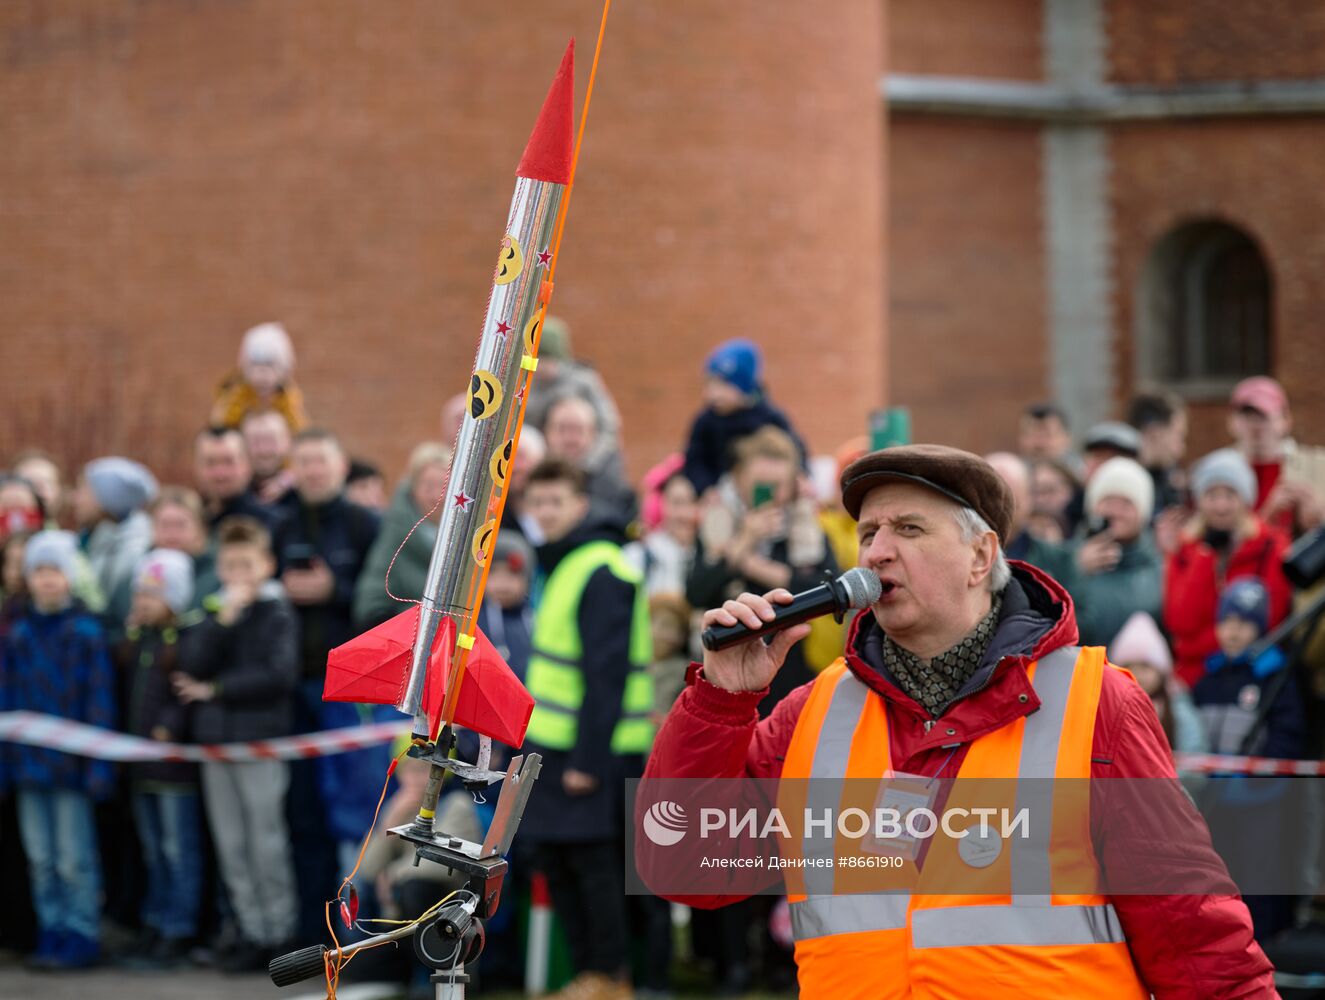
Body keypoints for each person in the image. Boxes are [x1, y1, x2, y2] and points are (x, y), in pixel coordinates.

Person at [640, 444, 1275, 997]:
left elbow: (1194, 939)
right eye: (868, 534)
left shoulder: (1096, 703)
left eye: (909, 530)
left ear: (981, 556)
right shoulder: (816, 711)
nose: (878, 553)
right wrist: (721, 701)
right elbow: (685, 866)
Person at [520, 459, 654, 1000]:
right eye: (539, 502)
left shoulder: (599, 566)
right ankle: (591, 976)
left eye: (557, 502)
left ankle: (610, 976)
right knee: (561, 862)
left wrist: (586, 762)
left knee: (595, 869)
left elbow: (607, 676)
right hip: (557, 745)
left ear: (581, 505)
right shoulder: (567, 562)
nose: (546, 513)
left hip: (593, 751)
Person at [174, 516, 299, 970]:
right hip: (215, 744)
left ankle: (278, 931)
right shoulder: (215, 611)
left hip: (259, 742)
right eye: (230, 566)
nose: (238, 576)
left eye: (247, 565)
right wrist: (222, 622)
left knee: (265, 842)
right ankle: (249, 929)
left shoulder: (277, 612)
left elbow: (278, 675)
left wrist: (217, 690)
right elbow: (190, 662)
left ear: (266, 565)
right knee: (231, 845)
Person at [271, 428, 381, 934]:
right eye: (305, 461)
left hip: (349, 692)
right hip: (292, 689)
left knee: (354, 812)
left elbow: (380, 596)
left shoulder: (366, 525)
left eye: (322, 460)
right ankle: (306, 926)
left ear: (341, 467)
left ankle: (353, 931)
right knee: (300, 812)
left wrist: (332, 590)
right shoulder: (280, 524)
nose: (314, 471)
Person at [1, 530, 116, 969]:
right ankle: (52, 929)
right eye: (39, 571)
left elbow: (99, 703)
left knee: (73, 858)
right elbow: (8, 701)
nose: (47, 580)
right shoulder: (19, 636)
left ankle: (81, 931)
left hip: (71, 769)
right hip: (29, 767)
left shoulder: (86, 634)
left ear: (69, 577)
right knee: (42, 859)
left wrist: (98, 767)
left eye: (55, 571)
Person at [687, 426, 837, 716]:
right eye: (761, 485)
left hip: (794, 677)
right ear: (740, 478)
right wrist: (745, 539)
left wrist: (750, 565)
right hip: (726, 677)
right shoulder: (718, 524)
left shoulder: (808, 526)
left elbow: (827, 588)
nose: (771, 495)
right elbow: (696, 592)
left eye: (777, 485)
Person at [1192, 576, 1308, 942]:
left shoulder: (1275, 676)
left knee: (1261, 875)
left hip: (1262, 801)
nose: (1234, 631)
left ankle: (1268, 943)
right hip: (1216, 802)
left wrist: (1260, 778)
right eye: (1227, 621)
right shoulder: (1208, 680)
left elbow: (1287, 735)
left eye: (1244, 623)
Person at [115, 549, 203, 968]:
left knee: (176, 849)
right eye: (139, 594)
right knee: (152, 849)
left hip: (173, 771)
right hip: (140, 768)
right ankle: (155, 921)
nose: (143, 602)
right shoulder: (137, 641)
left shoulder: (184, 641)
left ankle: (178, 928)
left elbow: (183, 697)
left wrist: (170, 726)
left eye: (153, 594)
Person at [1163, 449, 1292, 687]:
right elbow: (1180, 621)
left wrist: (1195, 646)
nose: (1221, 505)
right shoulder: (1185, 550)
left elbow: (1270, 620)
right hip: (1194, 678)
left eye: (1230, 494)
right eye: (1211, 495)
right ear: (1199, 501)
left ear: (1246, 499)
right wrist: (1204, 556)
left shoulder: (1270, 547)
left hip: (1250, 673)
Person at [682, 338, 806, 496]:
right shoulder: (706, 421)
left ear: (744, 386)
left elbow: (796, 450)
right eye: (709, 385)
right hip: (721, 495)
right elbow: (694, 460)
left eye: (722, 385)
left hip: (767, 491)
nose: (713, 393)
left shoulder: (769, 417)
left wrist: (801, 476)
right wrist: (705, 488)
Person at [1066, 456, 1164, 647]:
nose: (1115, 512)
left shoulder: (1158, 566)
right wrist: (1074, 569)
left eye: (1127, 504)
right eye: (1108, 501)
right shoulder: (1067, 557)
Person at [354, 441, 452, 629]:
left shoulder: (470, 538)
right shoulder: (395, 534)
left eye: (443, 485)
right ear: (413, 489)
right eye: (428, 485)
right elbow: (371, 603)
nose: (436, 496)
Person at [1226, 375, 1325, 538]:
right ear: (1232, 422)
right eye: (1247, 416)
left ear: (1286, 420)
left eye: (1263, 416)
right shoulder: (1218, 471)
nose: (1255, 425)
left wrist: (1319, 518)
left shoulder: (1317, 466)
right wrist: (1268, 515)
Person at [73, 456, 159, 628]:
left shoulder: (133, 551)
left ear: (107, 499)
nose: (75, 499)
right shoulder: (89, 539)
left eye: (83, 490)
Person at [1107, 610, 1204, 754]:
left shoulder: (1176, 708)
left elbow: (1195, 753)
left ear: (1161, 671)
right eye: (1129, 667)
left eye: (1145, 666)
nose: (1137, 675)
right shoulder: (1109, 708)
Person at [542, 391, 638, 527]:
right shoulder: (522, 480)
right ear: (547, 432)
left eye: (578, 430)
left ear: (593, 435)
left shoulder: (616, 491)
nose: (570, 439)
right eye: (562, 429)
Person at [210, 321, 308, 432]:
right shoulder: (236, 394)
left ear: (283, 370)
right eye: (256, 365)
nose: (262, 374)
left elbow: (299, 429)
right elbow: (219, 427)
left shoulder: (287, 397)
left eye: (269, 365)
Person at [625, 460, 700, 598]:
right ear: (661, 506)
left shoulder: (712, 557)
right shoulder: (638, 555)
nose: (685, 513)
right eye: (677, 503)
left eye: (693, 501)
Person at [193, 426, 279, 533]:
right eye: (210, 463)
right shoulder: (188, 523)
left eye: (228, 462)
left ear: (247, 464)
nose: (220, 474)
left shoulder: (273, 524)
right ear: (196, 466)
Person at [149, 486, 215, 609]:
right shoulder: (138, 573)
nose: (172, 533)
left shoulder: (217, 575)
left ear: (200, 528)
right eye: (164, 524)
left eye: (180, 525)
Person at [1127, 391, 1188, 517]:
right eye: (1179, 436)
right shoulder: (1122, 486)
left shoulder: (1168, 481)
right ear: (1154, 433)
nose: (1182, 449)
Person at [240, 408, 295, 506]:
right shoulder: (232, 488)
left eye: (271, 441)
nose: (264, 450)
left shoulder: (303, 489)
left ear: (287, 442)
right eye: (256, 442)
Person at [1016, 402, 1080, 475]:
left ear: (1067, 438)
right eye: (1032, 435)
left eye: (1047, 435)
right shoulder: (1012, 476)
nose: (1039, 444)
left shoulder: (1084, 478)